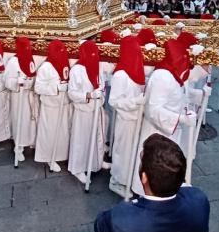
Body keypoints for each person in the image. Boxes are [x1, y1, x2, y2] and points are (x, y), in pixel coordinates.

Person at [94, 134, 210, 232]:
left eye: (141, 159)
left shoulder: (120, 221)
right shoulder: (199, 201)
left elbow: (99, 226)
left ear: (144, 177)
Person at [131, 39, 196, 196]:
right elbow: (153, 110)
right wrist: (179, 118)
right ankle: (145, 195)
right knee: (154, 166)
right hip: (158, 130)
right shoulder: (162, 76)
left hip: (171, 130)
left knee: (167, 167)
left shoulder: (174, 74)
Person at [108, 36, 146, 197]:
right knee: (121, 151)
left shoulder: (135, 69)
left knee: (132, 151)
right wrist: (135, 101)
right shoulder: (120, 75)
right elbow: (113, 101)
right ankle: (116, 181)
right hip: (125, 118)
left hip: (136, 117)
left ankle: (127, 177)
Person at [67, 40, 108, 184]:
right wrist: (89, 95)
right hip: (83, 110)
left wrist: (100, 92)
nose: (94, 55)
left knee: (97, 136)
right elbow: (71, 93)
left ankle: (97, 161)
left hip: (96, 109)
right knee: (82, 140)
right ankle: (78, 168)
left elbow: (101, 83)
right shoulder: (76, 70)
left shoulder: (98, 66)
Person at [34, 40, 71, 172]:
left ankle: (60, 154)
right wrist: (56, 87)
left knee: (62, 132)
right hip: (50, 106)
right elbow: (38, 87)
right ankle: (49, 157)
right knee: (49, 133)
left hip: (64, 104)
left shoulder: (66, 63)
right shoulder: (46, 67)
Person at [3, 37, 39, 163]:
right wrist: (17, 82)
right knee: (19, 121)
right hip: (18, 97)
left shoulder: (30, 59)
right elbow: (6, 80)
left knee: (30, 121)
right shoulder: (13, 61)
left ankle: (30, 141)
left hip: (28, 96)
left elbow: (33, 76)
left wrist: (29, 81)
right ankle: (18, 148)